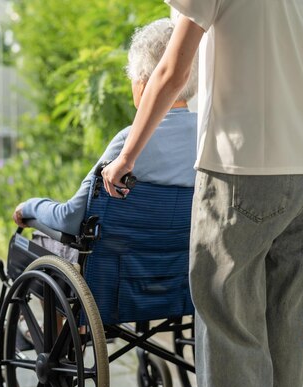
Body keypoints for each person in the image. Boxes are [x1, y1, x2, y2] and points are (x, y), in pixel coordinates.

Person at [101, 2, 303, 387]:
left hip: (242, 172)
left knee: (231, 333)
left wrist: (126, 158)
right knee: (285, 328)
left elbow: (170, 72)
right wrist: (289, 132)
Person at [12, 18, 199, 260]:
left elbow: (71, 218)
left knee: (34, 248)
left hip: (117, 278)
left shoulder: (129, 144)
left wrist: (29, 207)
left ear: (144, 83)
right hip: (179, 278)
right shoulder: (206, 137)